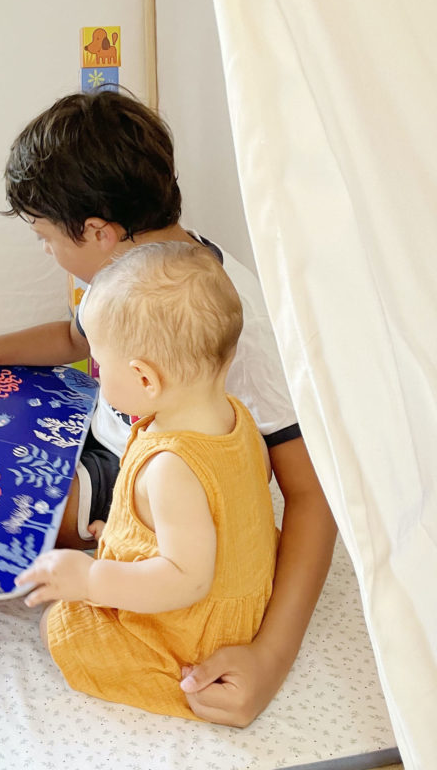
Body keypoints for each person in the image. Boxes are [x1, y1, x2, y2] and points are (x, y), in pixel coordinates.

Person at [0, 89, 336, 726]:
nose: (45, 251)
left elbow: (312, 498)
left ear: (97, 230)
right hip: (95, 430)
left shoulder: (227, 318)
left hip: (147, 478)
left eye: (44, 237)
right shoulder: (136, 270)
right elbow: (76, 338)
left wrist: (270, 657)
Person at [15, 241, 278, 719]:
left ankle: (184, 680)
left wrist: (94, 579)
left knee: (62, 627)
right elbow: (229, 512)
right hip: (229, 578)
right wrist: (122, 537)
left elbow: (186, 580)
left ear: (144, 379)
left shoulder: (172, 467)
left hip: (194, 626)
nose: (97, 373)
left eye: (100, 362)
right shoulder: (234, 416)